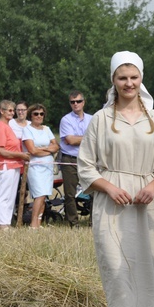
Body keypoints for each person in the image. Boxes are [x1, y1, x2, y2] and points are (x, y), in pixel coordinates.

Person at [78, 51, 154, 307]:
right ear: (113, 81)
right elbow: (86, 166)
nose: (128, 83)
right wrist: (108, 187)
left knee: (140, 272)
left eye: (133, 77)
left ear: (141, 79)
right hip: (112, 207)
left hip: (145, 206)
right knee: (118, 273)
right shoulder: (100, 120)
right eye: (122, 78)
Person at [0, 100, 30, 229]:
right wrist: (21, 155)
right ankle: (0, 223)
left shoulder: (8, 126)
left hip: (14, 165)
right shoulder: (0, 127)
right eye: (9, 110)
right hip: (6, 165)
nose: (12, 113)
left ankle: (6, 222)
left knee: (11, 195)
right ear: (1, 111)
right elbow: (1, 150)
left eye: (13, 110)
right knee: (3, 195)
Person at [59, 91, 93, 227]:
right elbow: (70, 140)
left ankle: (94, 221)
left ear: (83, 102)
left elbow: (97, 138)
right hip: (70, 160)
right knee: (70, 194)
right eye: (72, 102)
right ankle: (73, 223)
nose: (75, 104)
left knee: (94, 191)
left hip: (88, 159)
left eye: (78, 101)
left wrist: (78, 138)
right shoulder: (66, 120)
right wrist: (88, 138)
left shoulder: (92, 119)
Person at [22, 104, 58, 229]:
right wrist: (49, 150)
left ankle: (39, 221)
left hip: (47, 166)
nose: (39, 116)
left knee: (44, 195)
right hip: (35, 167)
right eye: (36, 114)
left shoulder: (47, 129)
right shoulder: (27, 130)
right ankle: (33, 224)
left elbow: (56, 146)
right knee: (39, 194)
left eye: (41, 114)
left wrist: (44, 149)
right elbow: (33, 150)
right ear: (31, 115)